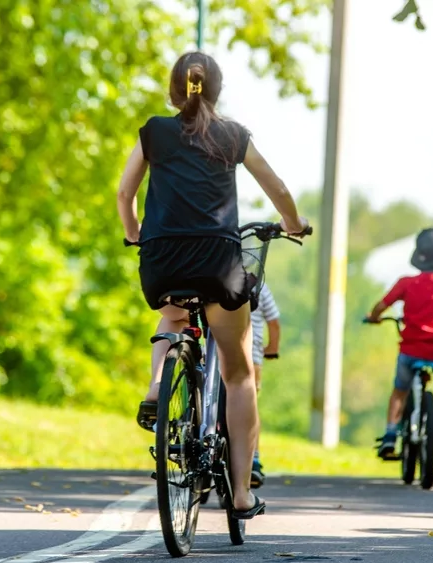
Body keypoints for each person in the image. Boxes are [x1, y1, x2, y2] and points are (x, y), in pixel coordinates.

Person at [115, 51, 309, 519]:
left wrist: (134, 231)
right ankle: (241, 495)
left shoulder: (154, 131)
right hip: (218, 264)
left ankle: (158, 383)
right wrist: (293, 222)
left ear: (173, 89)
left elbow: (125, 192)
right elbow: (276, 186)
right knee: (239, 374)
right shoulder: (233, 135)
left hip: (161, 260)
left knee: (174, 315)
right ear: (216, 90)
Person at [365, 227, 433, 460]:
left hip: (411, 349)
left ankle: (390, 437)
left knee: (399, 393)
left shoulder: (406, 283)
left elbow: (381, 306)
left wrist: (374, 317)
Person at [247, 278, 280, 489]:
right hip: (253, 354)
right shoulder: (259, 286)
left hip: (216, 354)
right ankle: (254, 459)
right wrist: (272, 348)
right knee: (250, 408)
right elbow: (273, 321)